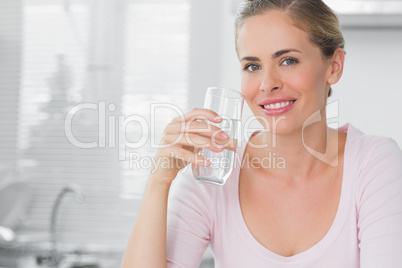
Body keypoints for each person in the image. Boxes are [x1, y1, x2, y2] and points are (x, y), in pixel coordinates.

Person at [121, 0, 402, 267]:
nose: (267, 84)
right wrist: (159, 182)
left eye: (288, 60)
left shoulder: (373, 163)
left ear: (334, 66)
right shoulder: (213, 172)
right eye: (252, 66)